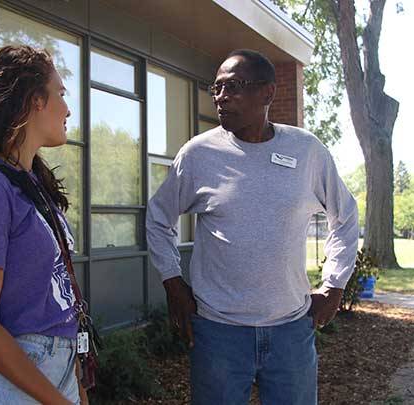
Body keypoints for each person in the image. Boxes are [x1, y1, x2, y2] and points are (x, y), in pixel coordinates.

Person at [146, 49, 359, 405]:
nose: (221, 97)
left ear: (268, 93)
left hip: (291, 331)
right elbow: (158, 218)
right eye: (216, 88)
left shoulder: (307, 151)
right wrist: (173, 282)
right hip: (217, 334)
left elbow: (346, 218)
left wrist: (334, 286)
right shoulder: (198, 155)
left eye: (234, 87)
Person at [0, 45, 87, 405]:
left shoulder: (32, 182)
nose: (67, 108)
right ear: (34, 100)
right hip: (8, 383)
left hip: (54, 371)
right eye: (60, 94)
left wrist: (75, 385)